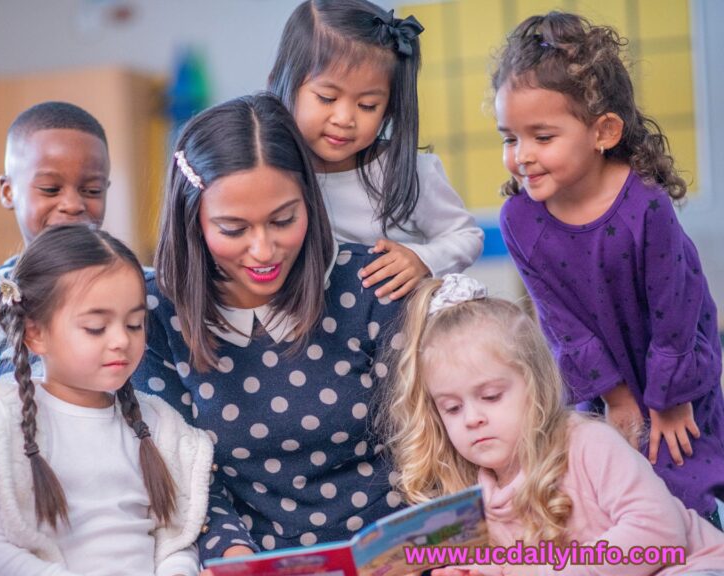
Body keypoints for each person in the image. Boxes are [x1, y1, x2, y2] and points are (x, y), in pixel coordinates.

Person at [132, 93, 404, 562]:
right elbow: (183, 467)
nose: (263, 251)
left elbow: (421, 442)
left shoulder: (370, 283)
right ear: (192, 220)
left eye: (283, 220)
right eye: (234, 229)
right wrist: (234, 552)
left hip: (394, 550)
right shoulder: (152, 312)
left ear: (310, 203)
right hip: (252, 560)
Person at [494, 11, 724, 525]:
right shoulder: (520, 221)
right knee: (608, 481)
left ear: (603, 131)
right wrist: (616, 398)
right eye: (510, 138)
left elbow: (677, 307)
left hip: (674, 362)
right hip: (602, 378)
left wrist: (671, 398)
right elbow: (562, 324)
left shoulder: (645, 206)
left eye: (543, 137)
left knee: (686, 472)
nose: (522, 156)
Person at [386, 274, 724, 575]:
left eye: (490, 397)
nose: (473, 418)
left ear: (536, 388)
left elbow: (661, 533)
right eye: (453, 408)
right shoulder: (474, 492)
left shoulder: (588, 443)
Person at [0, 225, 212, 576]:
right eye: (96, 327)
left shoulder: (157, 423)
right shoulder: (10, 420)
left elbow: (174, 537)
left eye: (134, 324)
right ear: (35, 333)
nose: (120, 341)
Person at [267, 0, 482, 301]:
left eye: (368, 105)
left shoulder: (408, 172)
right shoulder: (271, 175)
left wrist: (422, 258)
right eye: (327, 98)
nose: (344, 119)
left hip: (406, 332)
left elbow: (467, 236)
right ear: (280, 83)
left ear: (389, 109)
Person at [0, 101, 111, 382]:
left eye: (92, 190)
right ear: (8, 191)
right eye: (51, 189)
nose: (73, 204)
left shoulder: (144, 290)